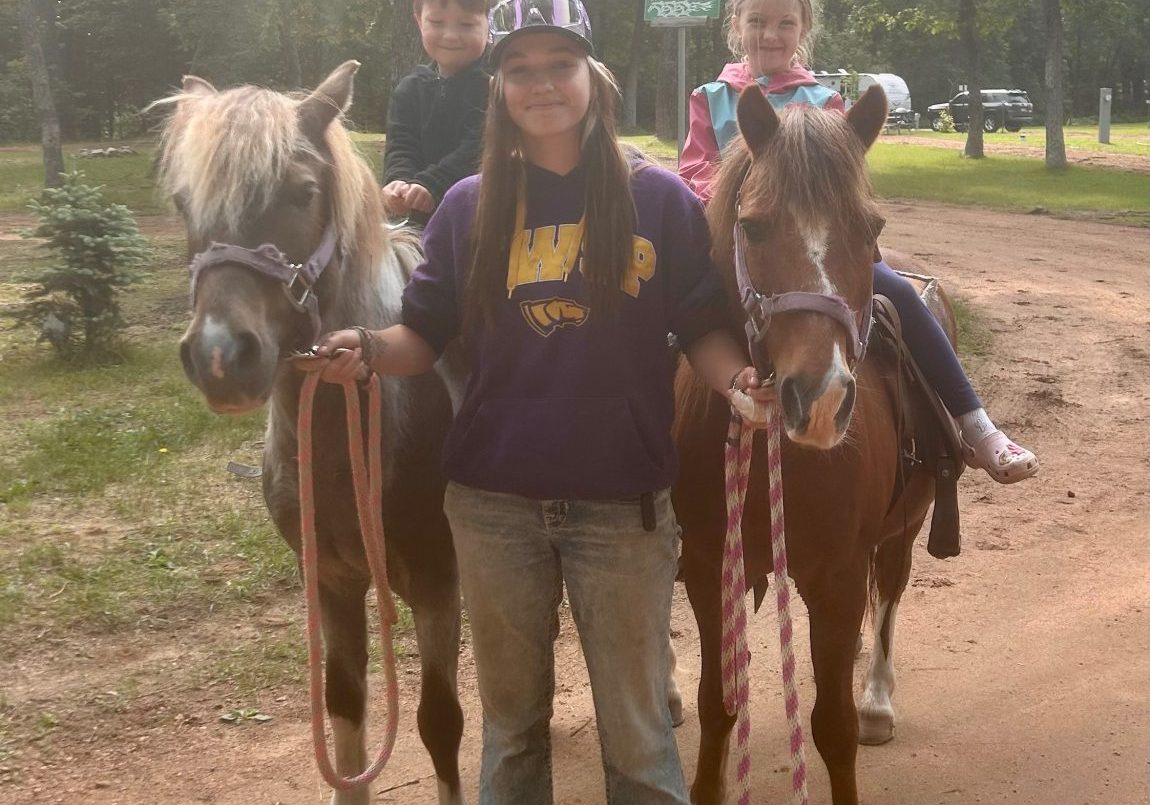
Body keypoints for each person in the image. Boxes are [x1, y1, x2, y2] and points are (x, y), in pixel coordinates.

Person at [312, 1, 772, 801]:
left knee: (637, 729)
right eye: (519, 68)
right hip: (492, 508)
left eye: (560, 64)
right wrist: (369, 349)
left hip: (623, 506)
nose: (541, 84)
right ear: (498, 87)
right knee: (514, 727)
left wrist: (736, 381)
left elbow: (700, 322)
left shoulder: (658, 200)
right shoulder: (467, 207)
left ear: (593, 76)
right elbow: (421, 333)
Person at [680, 0, 1040, 484]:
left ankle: (974, 423)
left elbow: (847, 184)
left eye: (786, 23)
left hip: (821, 245)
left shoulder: (824, 100)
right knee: (674, 313)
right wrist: (738, 198)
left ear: (804, 29)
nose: (771, 34)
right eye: (758, 22)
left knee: (899, 293)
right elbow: (694, 170)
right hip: (740, 241)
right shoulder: (712, 96)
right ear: (737, 28)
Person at [381, 0, 492, 224]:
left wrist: (433, 183)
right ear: (419, 21)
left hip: (482, 217)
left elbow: (481, 144)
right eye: (437, 22)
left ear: (489, 23)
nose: (451, 35)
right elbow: (401, 145)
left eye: (467, 24)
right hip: (422, 224)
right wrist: (399, 181)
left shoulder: (496, 83)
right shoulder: (409, 90)